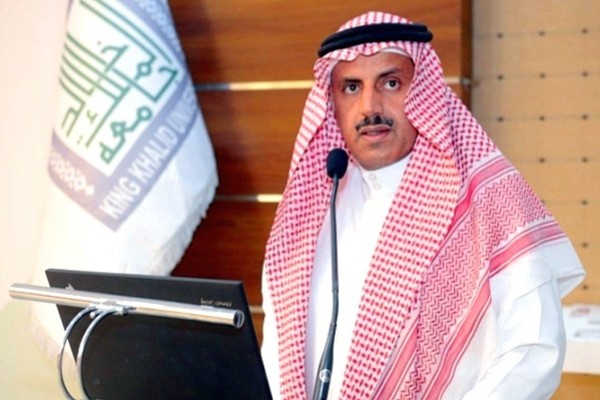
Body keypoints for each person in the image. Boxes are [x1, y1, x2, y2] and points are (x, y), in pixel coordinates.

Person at [261, 11, 585, 400]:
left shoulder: (488, 201)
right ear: (332, 103)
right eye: (351, 87)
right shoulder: (310, 215)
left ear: (422, 92)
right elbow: (277, 356)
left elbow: (533, 352)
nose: (369, 107)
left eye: (391, 83)